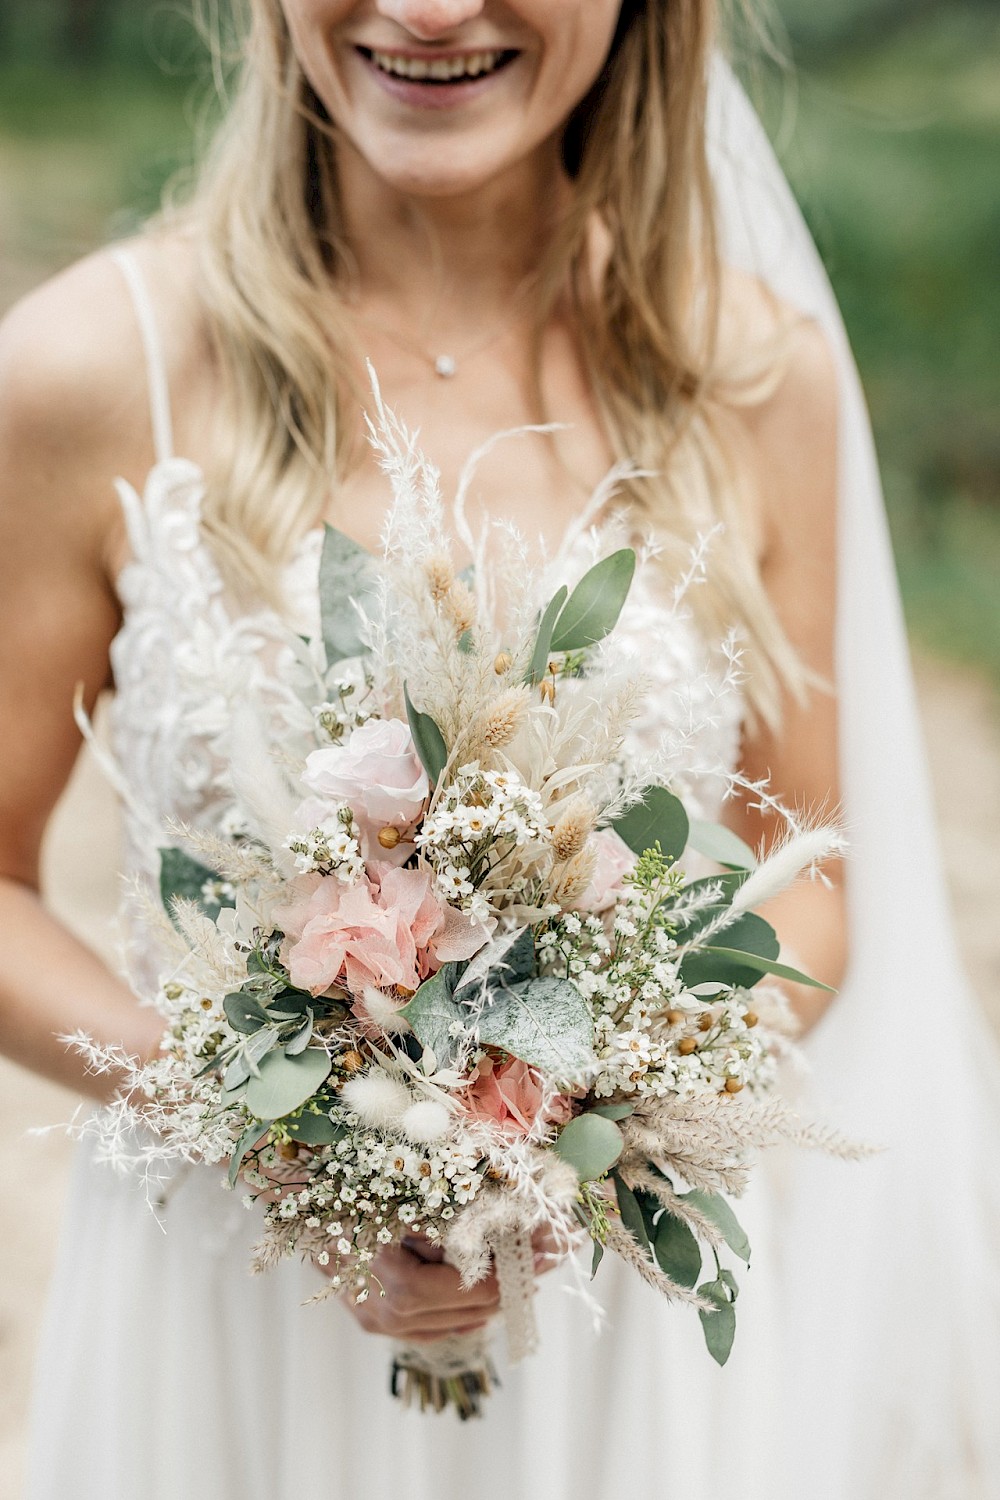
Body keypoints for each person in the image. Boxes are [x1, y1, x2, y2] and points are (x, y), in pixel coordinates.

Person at [0, 3, 995, 1497]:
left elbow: (820, 879)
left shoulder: (752, 378)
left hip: (609, 1337)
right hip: (224, 1330)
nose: (429, 10)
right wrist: (287, 1131)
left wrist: (579, 1110)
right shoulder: (89, 370)